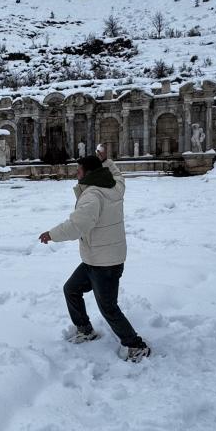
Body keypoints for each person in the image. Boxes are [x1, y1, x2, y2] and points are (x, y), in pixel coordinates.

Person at [39, 145, 151, 362]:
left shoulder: (92, 195)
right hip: (97, 258)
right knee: (71, 289)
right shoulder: (113, 185)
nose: (76, 174)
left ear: (89, 172)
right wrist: (107, 161)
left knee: (108, 307)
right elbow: (119, 175)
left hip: (104, 263)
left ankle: (136, 345)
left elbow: (77, 225)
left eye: (79, 171)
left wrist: (51, 234)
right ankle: (85, 329)